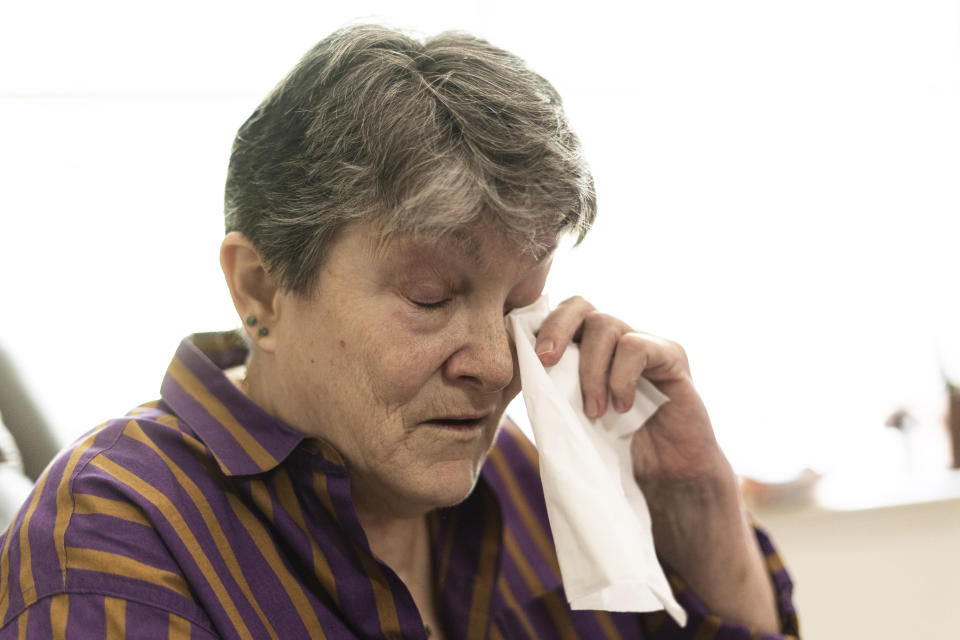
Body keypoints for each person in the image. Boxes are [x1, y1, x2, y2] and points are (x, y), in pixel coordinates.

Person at [0, 25, 799, 639]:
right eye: (429, 297)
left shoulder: (535, 483)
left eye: (520, 302)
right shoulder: (114, 535)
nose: (495, 367)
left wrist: (699, 507)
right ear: (262, 289)